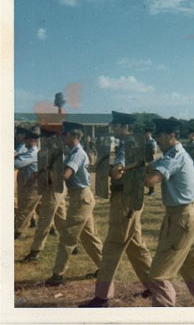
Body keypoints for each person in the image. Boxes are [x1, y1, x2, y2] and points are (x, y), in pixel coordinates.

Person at [79, 111, 152, 307]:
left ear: (124, 127)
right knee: (136, 246)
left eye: (116, 126)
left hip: (124, 201)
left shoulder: (126, 145)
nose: (113, 129)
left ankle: (102, 297)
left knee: (111, 247)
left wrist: (109, 168)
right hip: (133, 199)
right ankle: (155, 287)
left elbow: (118, 172)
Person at [144, 118, 194, 307]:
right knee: (193, 267)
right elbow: (153, 165)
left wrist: (136, 175)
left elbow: (151, 180)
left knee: (158, 276)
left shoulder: (173, 157)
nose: (157, 139)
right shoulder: (177, 153)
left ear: (171, 136)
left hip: (182, 218)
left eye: (160, 135)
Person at [45, 121, 103, 287]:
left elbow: (66, 174)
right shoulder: (72, 152)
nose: (62, 137)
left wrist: (49, 177)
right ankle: (105, 268)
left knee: (67, 237)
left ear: (74, 136)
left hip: (81, 198)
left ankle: (58, 275)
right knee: (89, 237)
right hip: (81, 197)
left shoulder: (77, 153)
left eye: (65, 134)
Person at [22, 125, 68, 262]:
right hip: (53, 188)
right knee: (61, 218)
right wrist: (35, 175)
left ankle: (35, 250)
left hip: (54, 188)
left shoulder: (58, 150)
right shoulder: (47, 149)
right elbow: (44, 167)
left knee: (44, 219)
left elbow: (56, 170)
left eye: (44, 136)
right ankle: (72, 244)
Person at [14, 127, 42, 240]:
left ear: (32, 141)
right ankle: (52, 228)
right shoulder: (30, 152)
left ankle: (18, 232)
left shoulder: (33, 153)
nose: (24, 141)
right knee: (40, 207)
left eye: (26, 140)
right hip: (31, 183)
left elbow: (17, 164)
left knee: (24, 209)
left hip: (34, 185)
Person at [144, 127, 157, 197]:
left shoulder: (153, 142)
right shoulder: (144, 141)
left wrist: (152, 162)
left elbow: (154, 152)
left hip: (151, 160)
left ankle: (152, 191)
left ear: (150, 134)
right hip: (145, 160)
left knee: (151, 176)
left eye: (147, 134)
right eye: (145, 134)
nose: (146, 135)